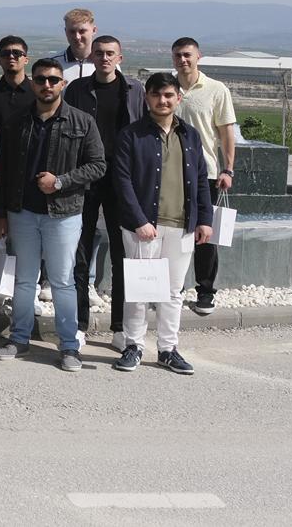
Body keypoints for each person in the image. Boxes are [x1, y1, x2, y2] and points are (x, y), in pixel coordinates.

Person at [0, 60, 107, 371]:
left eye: (53, 80)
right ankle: (19, 338)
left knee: (63, 282)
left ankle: (69, 346)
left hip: (64, 214)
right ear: (32, 82)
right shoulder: (17, 122)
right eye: (41, 79)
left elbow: (98, 165)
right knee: (25, 280)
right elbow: (3, 171)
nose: (47, 85)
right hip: (23, 213)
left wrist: (60, 182)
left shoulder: (82, 122)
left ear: (62, 84)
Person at [109, 72, 214, 375]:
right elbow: (123, 182)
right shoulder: (132, 135)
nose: (163, 101)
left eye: (169, 95)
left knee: (172, 292)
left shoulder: (190, 135)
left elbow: (201, 181)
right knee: (140, 290)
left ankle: (168, 349)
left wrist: (204, 220)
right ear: (147, 98)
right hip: (143, 228)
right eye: (157, 95)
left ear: (178, 98)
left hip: (182, 225)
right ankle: (133, 346)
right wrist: (139, 220)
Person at [65, 35, 145, 349]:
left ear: (120, 57)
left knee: (122, 251)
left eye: (110, 53)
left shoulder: (134, 90)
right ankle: (79, 323)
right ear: (92, 58)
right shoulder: (77, 90)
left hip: (122, 179)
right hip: (86, 176)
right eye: (99, 53)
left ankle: (120, 326)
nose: (104, 58)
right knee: (81, 251)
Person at [171, 37, 237, 316]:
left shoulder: (216, 89)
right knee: (168, 233)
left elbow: (226, 133)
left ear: (199, 56)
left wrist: (228, 168)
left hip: (205, 174)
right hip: (169, 173)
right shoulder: (167, 88)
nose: (182, 60)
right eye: (177, 56)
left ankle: (206, 291)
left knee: (204, 236)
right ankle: (168, 289)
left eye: (187, 55)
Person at [53, 8, 97, 83]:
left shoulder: (106, 64)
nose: (77, 37)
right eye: (72, 31)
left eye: (82, 31)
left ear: (94, 30)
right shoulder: (53, 64)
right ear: (65, 31)